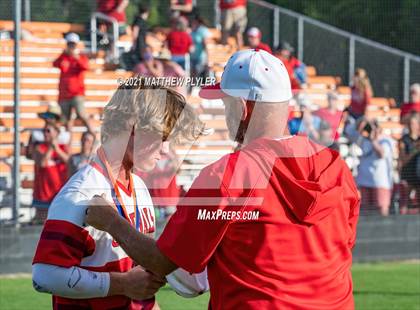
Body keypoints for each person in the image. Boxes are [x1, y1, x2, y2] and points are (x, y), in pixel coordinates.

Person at [86, 49, 360, 309]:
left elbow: (162, 262)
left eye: (225, 103)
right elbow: (337, 249)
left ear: (242, 108)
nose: (224, 112)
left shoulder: (227, 174)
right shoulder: (337, 168)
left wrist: (110, 221)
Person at [32, 82, 205, 309]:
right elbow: (44, 275)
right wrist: (119, 284)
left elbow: (140, 274)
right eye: (161, 137)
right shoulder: (82, 193)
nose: (165, 150)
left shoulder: (140, 187)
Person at [345, 117, 394, 216]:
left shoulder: (386, 140)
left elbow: (382, 153)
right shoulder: (363, 140)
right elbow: (348, 131)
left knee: (382, 210)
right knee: (365, 210)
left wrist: (373, 140)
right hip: (364, 181)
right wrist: (362, 121)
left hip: (380, 183)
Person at [53, 33, 93, 133]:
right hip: (64, 94)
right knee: (66, 120)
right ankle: (68, 143)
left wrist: (76, 57)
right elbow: (55, 64)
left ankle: (93, 134)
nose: (71, 47)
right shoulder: (63, 57)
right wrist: (63, 54)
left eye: (73, 44)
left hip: (77, 93)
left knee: (81, 114)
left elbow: (86, 67)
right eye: (69, 44)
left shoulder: (81, 57)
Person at [32, 122, 69, 224]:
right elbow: (42, 163)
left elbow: (69, 161)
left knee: (58, 224)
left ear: (56, 133)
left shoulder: (63, 147)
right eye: (44, 131)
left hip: (59, 195)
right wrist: (51, 148)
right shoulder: (39, 148)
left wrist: (56, 148)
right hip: (43, 195)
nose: (45, 134)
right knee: (42, 227)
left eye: (48, 131)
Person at [398, 112, 420, 214]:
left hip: (418, 174)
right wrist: (415, 151)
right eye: (410, 124)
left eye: (414, 123)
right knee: (404, 201)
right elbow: (403, 160)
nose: (412, 126)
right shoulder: (403, 140)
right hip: (408, 174)